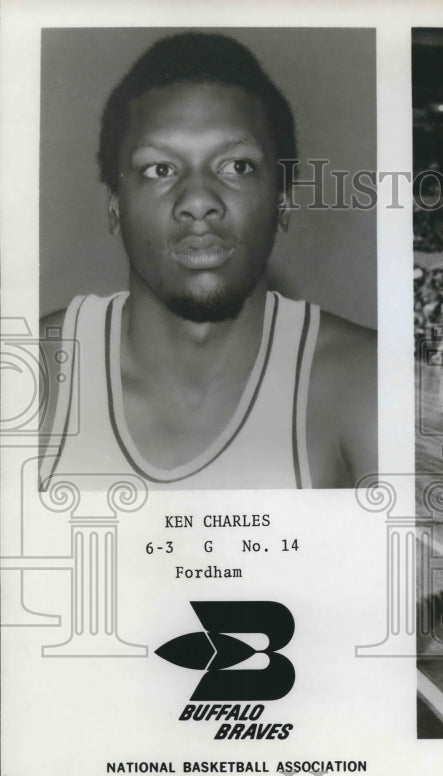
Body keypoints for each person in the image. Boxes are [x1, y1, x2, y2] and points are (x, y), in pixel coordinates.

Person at [39, 33, 376, 489]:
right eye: (160, 169)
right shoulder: (36, 373)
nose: (198, 201)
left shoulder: (367, 382)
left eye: (236, 166)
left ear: (283, 201)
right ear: (115, 205)